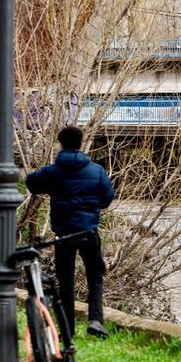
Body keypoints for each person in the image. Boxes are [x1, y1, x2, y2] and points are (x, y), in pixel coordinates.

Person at [26, 126, 115, 338]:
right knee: (95, 274)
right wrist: (91, 205)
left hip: (64, 234)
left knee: (65, 280)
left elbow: (31, 183)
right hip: (88, 231)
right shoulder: (96, 170)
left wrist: (52, 188)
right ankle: (95, 320)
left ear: (61, 143)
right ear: (81, 143)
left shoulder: (53, 171)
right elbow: (107, 198)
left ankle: (68, 328)